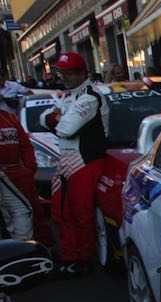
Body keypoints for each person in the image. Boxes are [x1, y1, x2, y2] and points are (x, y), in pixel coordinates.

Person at [39, 52, 109, 277]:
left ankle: (84, 259)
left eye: (70, 73)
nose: (65, 77)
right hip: (67, 160)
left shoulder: (90, 97)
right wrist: (56, 117)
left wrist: (56, 117)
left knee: (81, 213)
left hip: (86, 161)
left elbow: (65, 129)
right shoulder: (69, 96)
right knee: (60, 212)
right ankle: (70, 256)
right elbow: (43, 118)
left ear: (82, 73)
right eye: (62, 73)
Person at [0, 108, 40, 242]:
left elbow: (25, 145)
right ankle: (22, 247)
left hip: (15, 176)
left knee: (24, 210)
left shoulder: (9, 118)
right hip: (6, 176)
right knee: (21, 210)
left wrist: (29, 168)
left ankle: (21, 247)